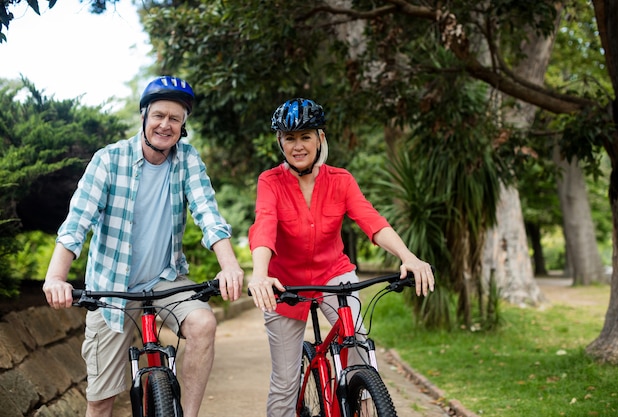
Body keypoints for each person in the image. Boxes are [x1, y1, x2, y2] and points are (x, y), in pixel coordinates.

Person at [42, 76, 244, 417]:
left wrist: (230, 266)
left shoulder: (188, 160)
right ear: (144, 117)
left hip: (165, 279)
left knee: (203, 324)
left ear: (183, 126)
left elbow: (208, 214)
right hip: (112, 290)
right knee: (101, 401)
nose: (166, 125)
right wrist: (55, 277)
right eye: (159, 116)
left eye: (175, 119)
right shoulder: (109, 160)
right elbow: (77, 222)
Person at [247, 98, 435, 416]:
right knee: (284, 382)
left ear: (320, 138)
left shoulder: (341, 179)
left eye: (305, 136)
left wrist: (408, 256)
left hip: (334, 274)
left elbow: (371, 220)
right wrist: (260, 273)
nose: (298, 145)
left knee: (356, 342)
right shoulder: (270, 181)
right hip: (284, 283)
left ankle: (360, 404)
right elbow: (263, 225)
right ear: (280, 142)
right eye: (289, 138)